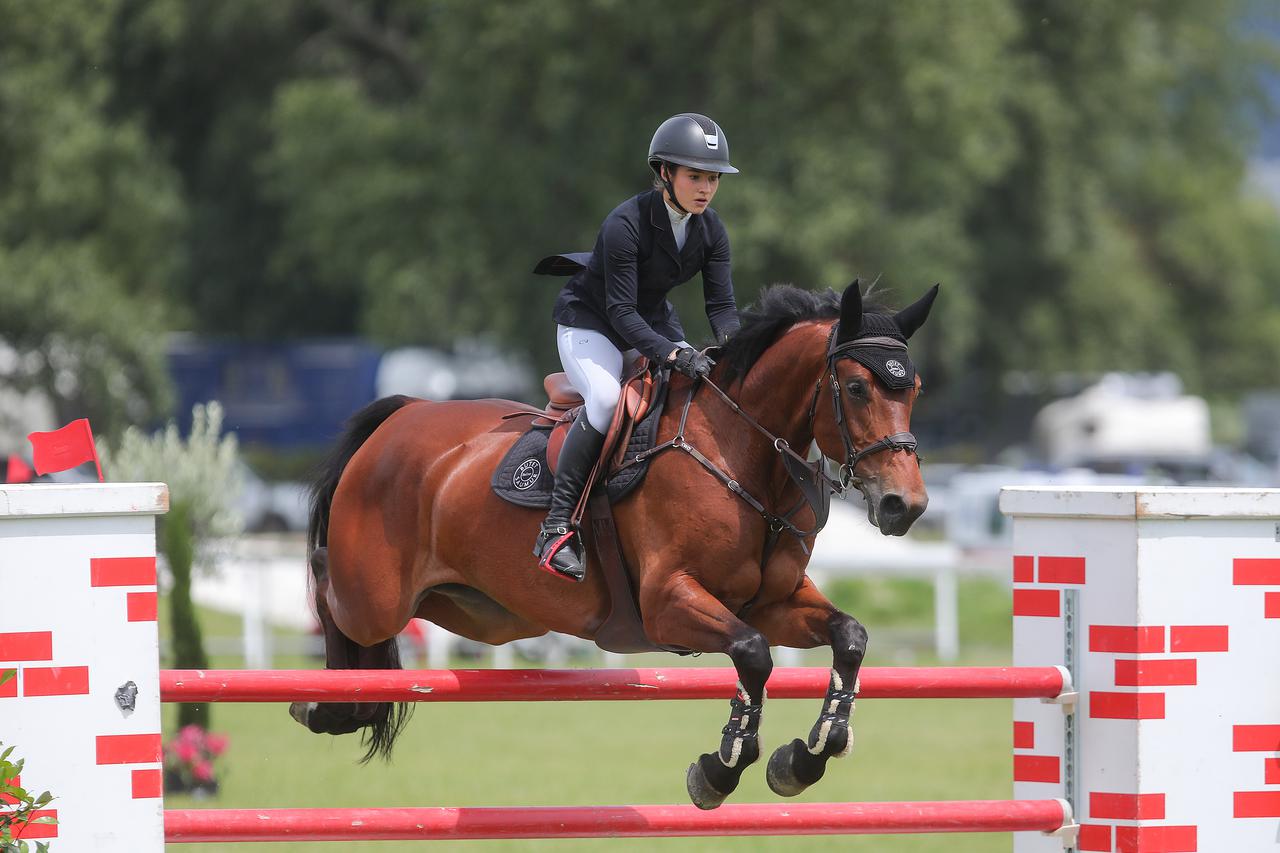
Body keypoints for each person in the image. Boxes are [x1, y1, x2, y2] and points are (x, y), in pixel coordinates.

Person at [532, 112, 742, 582]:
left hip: (649, 323)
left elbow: (722, 307)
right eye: (695, 176)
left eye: (713, 179)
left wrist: (734, 346)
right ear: (665, 173)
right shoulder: (625, 223)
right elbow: (621, 312)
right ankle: (556, 528)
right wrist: (674, 353)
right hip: (592, 324)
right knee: (606, 400)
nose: (706, 188)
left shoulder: (711, 230)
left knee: (701, 394)